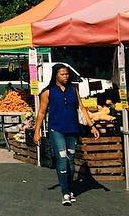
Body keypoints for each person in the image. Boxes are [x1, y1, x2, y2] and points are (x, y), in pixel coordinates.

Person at [33, 64, 99, 205]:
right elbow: (41, 112)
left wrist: (91, 125)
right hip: (56, 129)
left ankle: (70, 189)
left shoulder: (73, 90)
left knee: (70, 160)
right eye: (62, 74)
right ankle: (65, 193)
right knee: (62, 159)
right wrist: (36, 131)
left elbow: (82, 108)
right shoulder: (47, 92)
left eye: (67, 74)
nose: (65, 76)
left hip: (72, 129)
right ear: (55, 75)